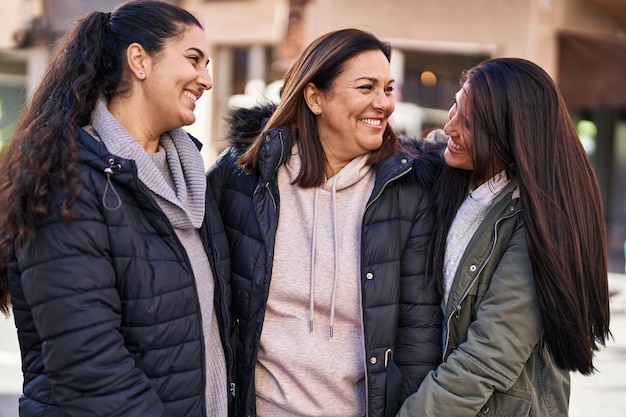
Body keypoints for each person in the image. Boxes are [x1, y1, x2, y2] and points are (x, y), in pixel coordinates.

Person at [0, 1, 233, 416]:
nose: (207, 80)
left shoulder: (191, 181)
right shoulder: (67, 181)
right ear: (139, 61)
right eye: (194, 60)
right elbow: (89, 366)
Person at [207, 28, 442, 417]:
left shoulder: (406, 192)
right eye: (366, 87)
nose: (382, 103)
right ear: (314, 97)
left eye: (387, 89)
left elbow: (419, 335)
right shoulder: (243, 176)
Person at [396, 57, 611, 417]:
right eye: (455, 106)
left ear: (509, 135)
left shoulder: (537, 224)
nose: (449, 127)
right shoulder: (454, 178)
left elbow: (488, 355)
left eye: (469, 124)